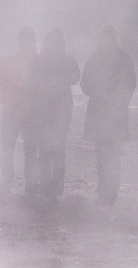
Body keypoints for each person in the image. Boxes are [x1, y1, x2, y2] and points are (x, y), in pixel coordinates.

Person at [80, 25, 137, 204]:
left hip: (114, 114)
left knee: (111, 154)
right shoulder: (97, 58)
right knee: (103, 154)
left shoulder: (120, 59)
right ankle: (105, 189)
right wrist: (97, 92)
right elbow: (85, 84)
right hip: (101, 113)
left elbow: (130, 84)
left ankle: (110, 190)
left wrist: (119, 101)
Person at [27, 28, 80, 198]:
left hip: (62, 111)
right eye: (52, 41)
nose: (54, 45)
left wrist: (58, 79)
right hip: (43, 111)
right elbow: (31, 80)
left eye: (58, 42)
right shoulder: (39, 61)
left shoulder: (68, 61)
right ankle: (44, 185)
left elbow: (76, 77)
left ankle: (57, 187)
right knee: (44, 149)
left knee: (57, 148)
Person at [0, 27, 38, 192]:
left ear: (33, 42)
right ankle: (7, 182)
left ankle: (31, 184)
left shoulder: (39, 63)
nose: (26, 44)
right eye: (24, 40)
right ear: (19, 42)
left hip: (31, 113)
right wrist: (5, 99)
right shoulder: (8, 62)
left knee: (31, 149)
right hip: (11, 111)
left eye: (29, 40)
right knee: (7, 148)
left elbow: (45, 87)